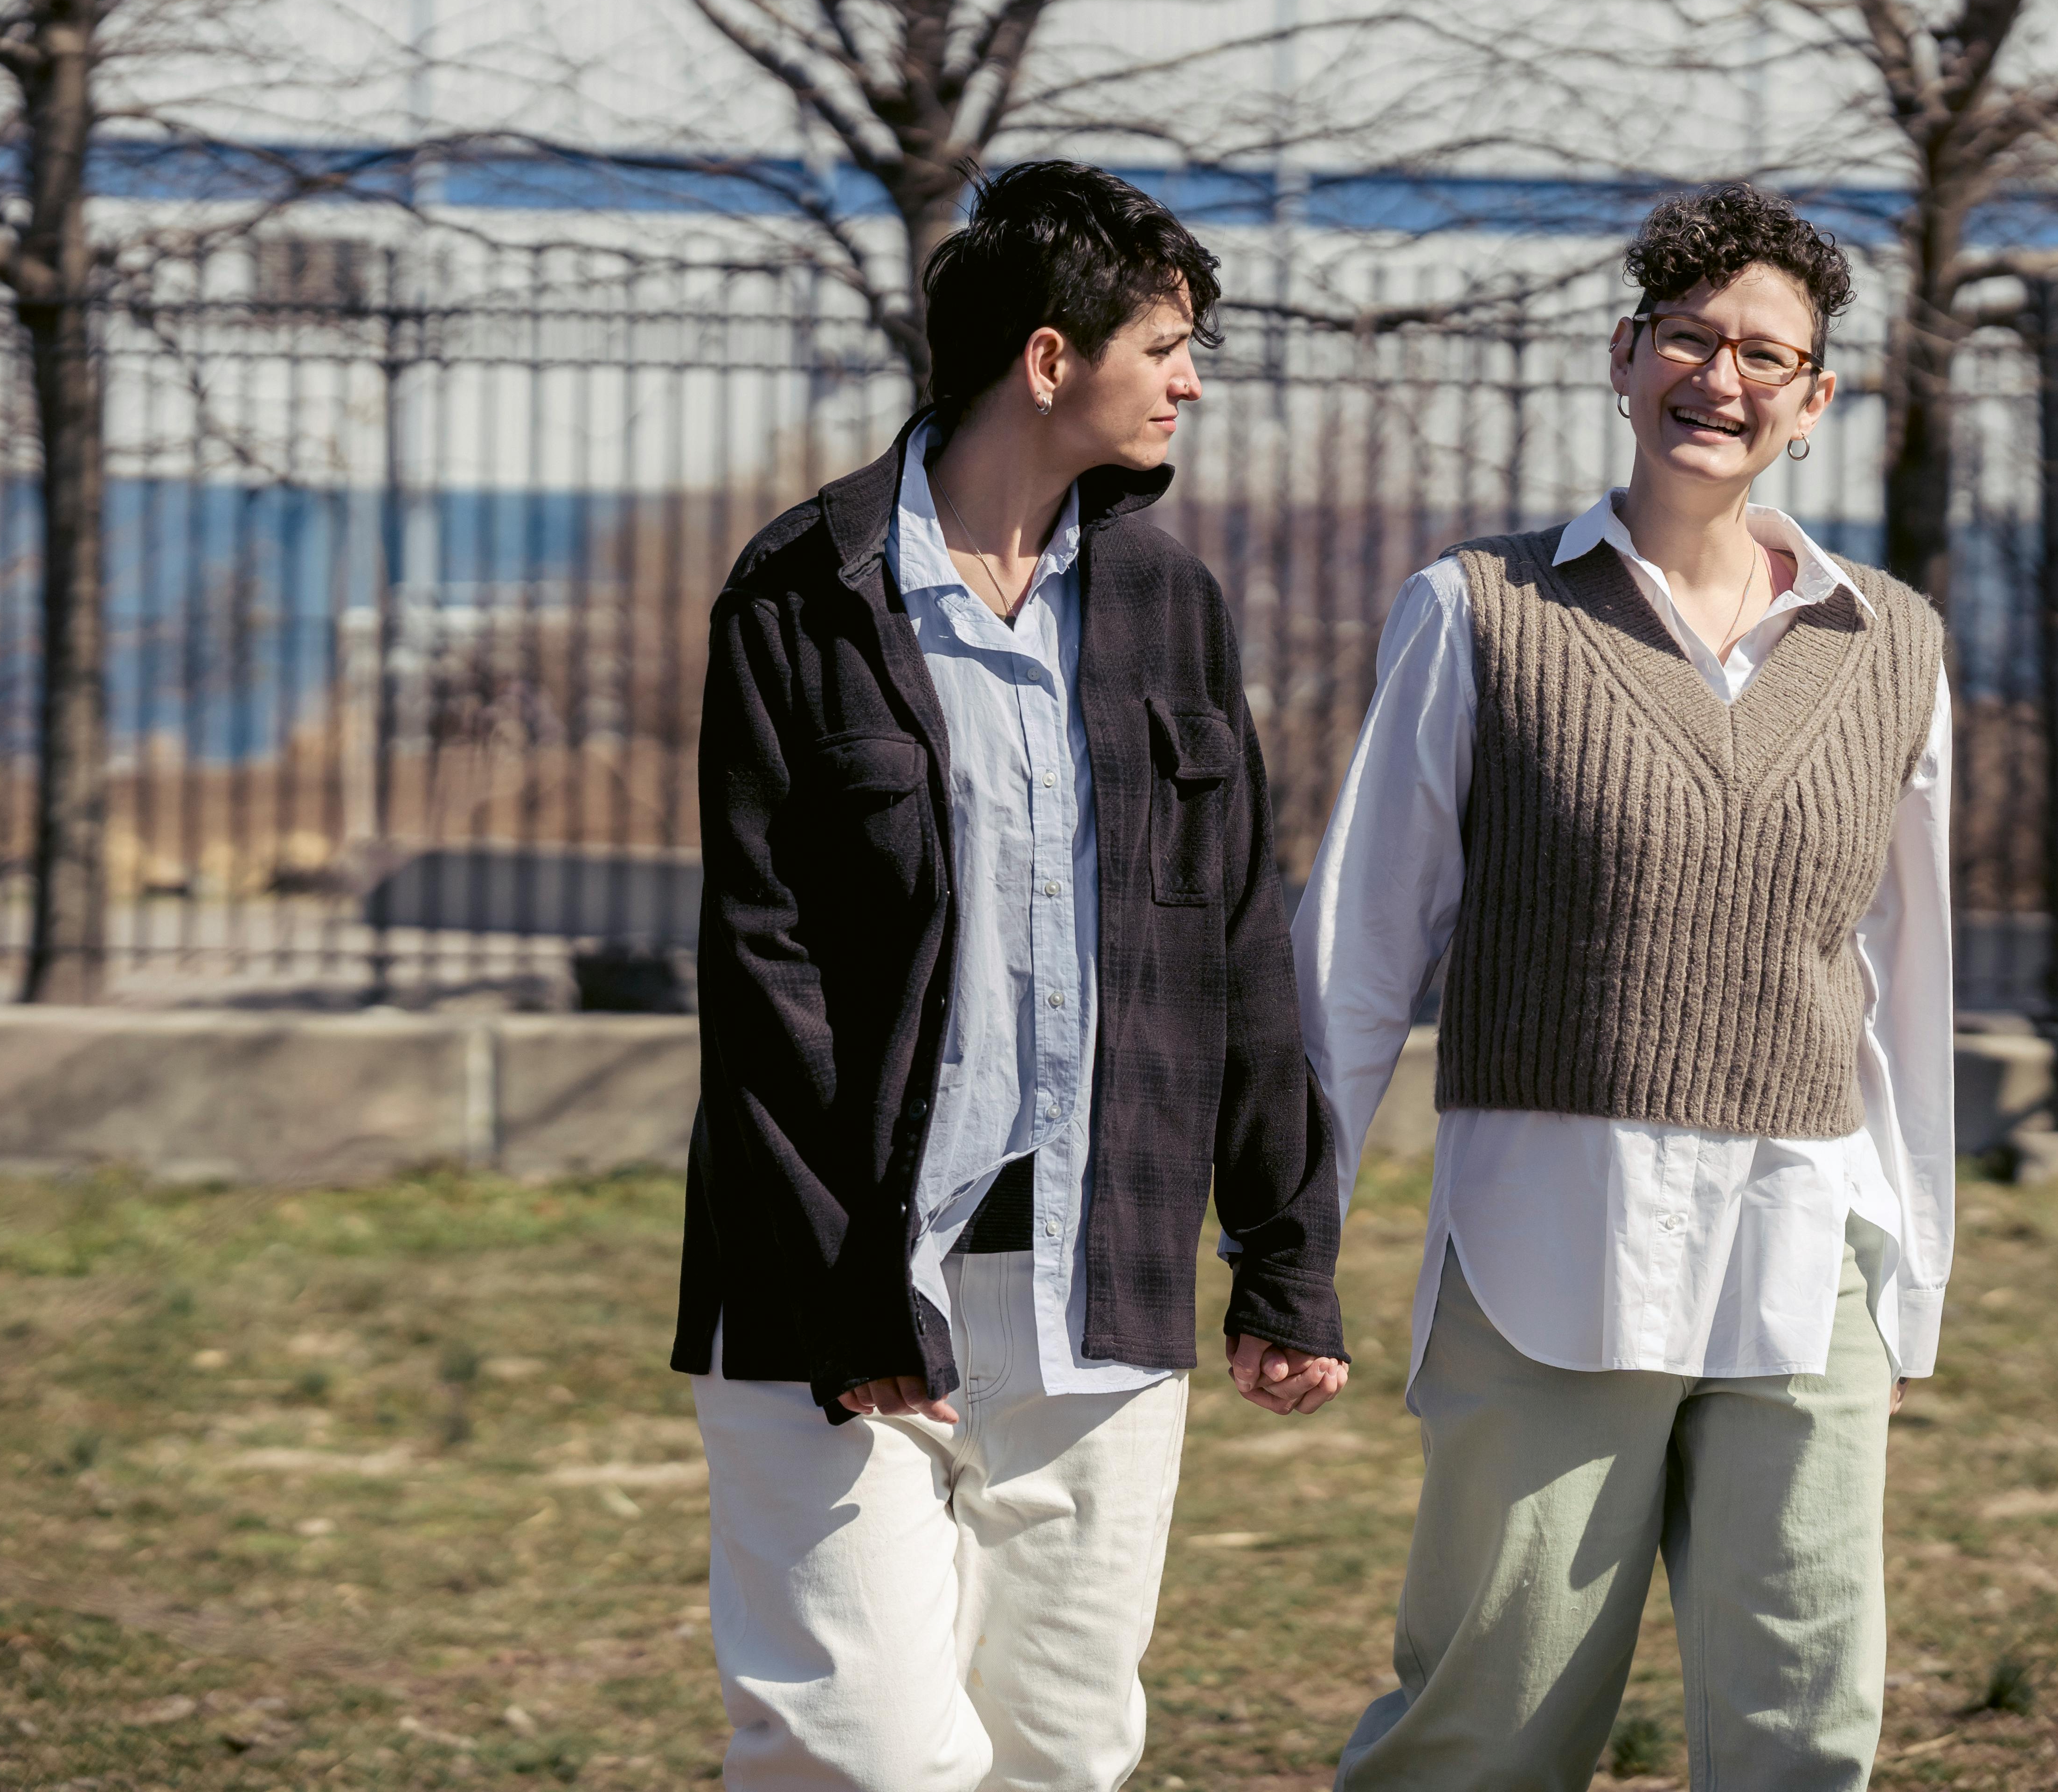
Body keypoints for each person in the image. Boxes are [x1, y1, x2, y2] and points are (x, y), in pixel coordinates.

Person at [676, 160, 1351, 1792]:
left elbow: (1236, 934)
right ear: (1050, 362)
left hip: (1097, 1279)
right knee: (864, 1755)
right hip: (840, 1286)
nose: (1193, 379)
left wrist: (1284, 1251)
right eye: (1168, 343)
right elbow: (762, 976)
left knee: (1062, 1748)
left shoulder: (1169, 607)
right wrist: (852, 1288)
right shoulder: (805, 591)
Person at [1295, 181, 1952, 1790]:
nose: (1719, 379)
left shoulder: (1895, 642)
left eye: (1765, 356)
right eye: (1688, 337)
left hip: (1807, 1246)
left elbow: (1905, 973)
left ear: (1816, 401)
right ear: (1625, 353)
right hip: (1553, 1241)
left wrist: (1911, 1251)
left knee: (1806, 1731)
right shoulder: (1479, 612)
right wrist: (1288, 1239)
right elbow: (1358, 950)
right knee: (1486, 1730)